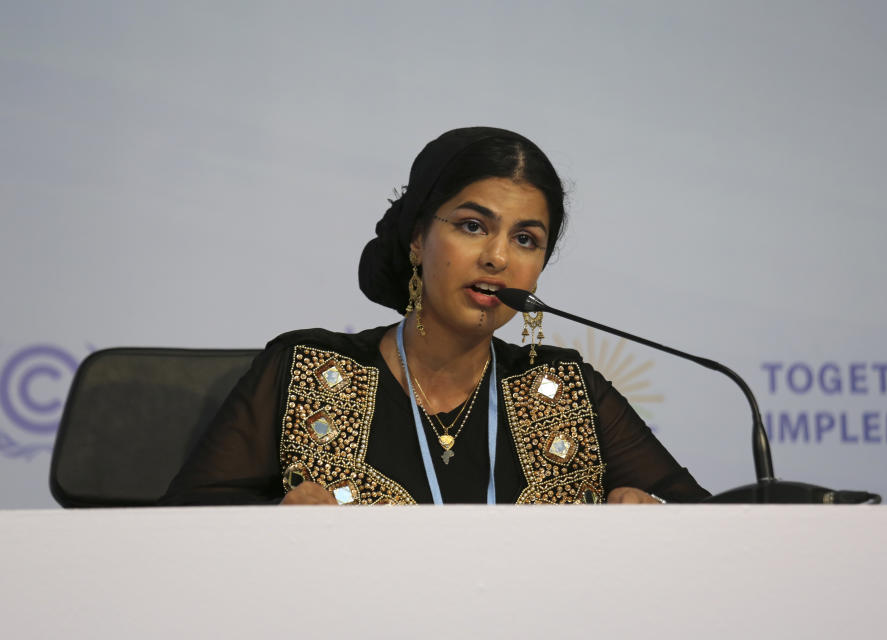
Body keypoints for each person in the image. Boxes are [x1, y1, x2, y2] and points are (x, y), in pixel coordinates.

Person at [163, 126, 709, 506]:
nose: (498, 256)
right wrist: (274, 521)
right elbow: (176, 528)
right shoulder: (308, 370)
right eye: (473, 225)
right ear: (419, 239)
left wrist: (643, 512)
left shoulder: (565, 391)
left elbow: (714, 526)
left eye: (525, 239)